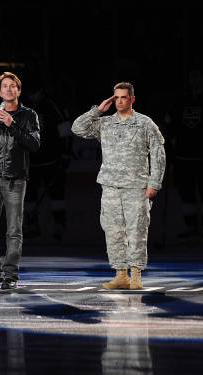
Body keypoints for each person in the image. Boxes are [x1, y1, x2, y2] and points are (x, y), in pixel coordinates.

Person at [71, 82, 166, 289]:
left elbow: (159, 154)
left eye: (124, 97)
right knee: (113, 231)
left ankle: (136, 275)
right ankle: (121, 274)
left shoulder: (144, 123)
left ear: (132, 99)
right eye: (116, 98)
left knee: (137, 230)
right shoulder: (105, 123)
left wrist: (154, 184)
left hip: (136, 186)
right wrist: (97, 110)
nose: (120, 101)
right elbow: (77, 128)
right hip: (111, 186)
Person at [0, 72, 41, 289]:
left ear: (18, 91)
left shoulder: (29, 115)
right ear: (0, 91)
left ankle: (10, 275)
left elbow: (34, 144)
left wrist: (12, 124)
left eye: (13, 86)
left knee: (14, 230)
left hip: (15, 180)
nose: (9, 89)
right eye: (5, 86)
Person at [164, 69, 203, 239]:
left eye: (197, 76)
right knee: (186, 192)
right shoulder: (180, 100)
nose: (194, 79)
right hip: (182, 156)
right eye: (191, 76)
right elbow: (169, 124)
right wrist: (168, 141)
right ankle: (190, 227)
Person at [24, 81, 73, 241]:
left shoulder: (52, 105)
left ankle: (59, 225)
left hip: (52, 160)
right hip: (31, 161)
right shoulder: (23, 107)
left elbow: (65, 129)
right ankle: (32, 225)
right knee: (29, 195)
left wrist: (65, 153)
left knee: (56, 193)